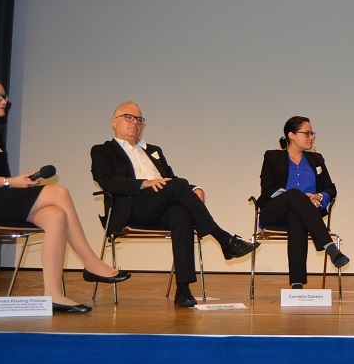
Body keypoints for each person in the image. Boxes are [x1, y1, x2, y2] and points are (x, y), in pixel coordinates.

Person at [0, 77, 130, 314]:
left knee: (55, 216)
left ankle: (53, 294)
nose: (4, 101)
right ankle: (91, 262)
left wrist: (19, 182)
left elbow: (3, 179)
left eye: (5, 96)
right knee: (60, 192)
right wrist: (9, 182)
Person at [90, 101, 259, 308]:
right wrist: (144, 183)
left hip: (158, 207)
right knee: (179, 187)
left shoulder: (153, 150)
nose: (134, 123)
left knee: (182, 214)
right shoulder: (102, 150)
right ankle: (223, 238)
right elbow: (107, 180)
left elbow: (170, 179)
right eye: (128, 117)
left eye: (139, 119)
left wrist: (195, 188)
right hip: (130, 207)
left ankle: (184, 289)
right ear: (114, 122)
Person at [255, 116, 350, 289]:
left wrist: (319, 197)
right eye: (307, 133)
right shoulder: (272, 157)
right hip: (274, 212)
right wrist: (297, 197)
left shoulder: (316, 159)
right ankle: (329, 246)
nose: (311, 137)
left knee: (296, 216)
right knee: (294, 195)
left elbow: (330, 188)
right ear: (291, 135)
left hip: (303, 216)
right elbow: (267, 189)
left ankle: (297, 285)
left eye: (312, 133)